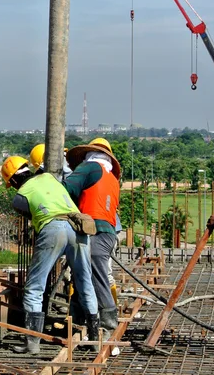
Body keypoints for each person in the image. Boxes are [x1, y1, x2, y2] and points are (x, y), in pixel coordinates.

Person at [1, 155, 99, 355]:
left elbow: (31, 214)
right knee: (85, 281)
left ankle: (32, 344)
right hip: (78, 226)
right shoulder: (49, 178)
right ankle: (95, 339)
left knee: (35, 287)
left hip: (53, 229)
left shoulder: (20, 196)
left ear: (12, 181)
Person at [63, 137, 120, 339]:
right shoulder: (110, 177)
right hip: (107, 233)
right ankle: (78, 319)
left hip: (94, 231)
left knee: (95, 275)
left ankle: (108, 324)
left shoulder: (90, 168)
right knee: (82, 273)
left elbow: (67, 189)